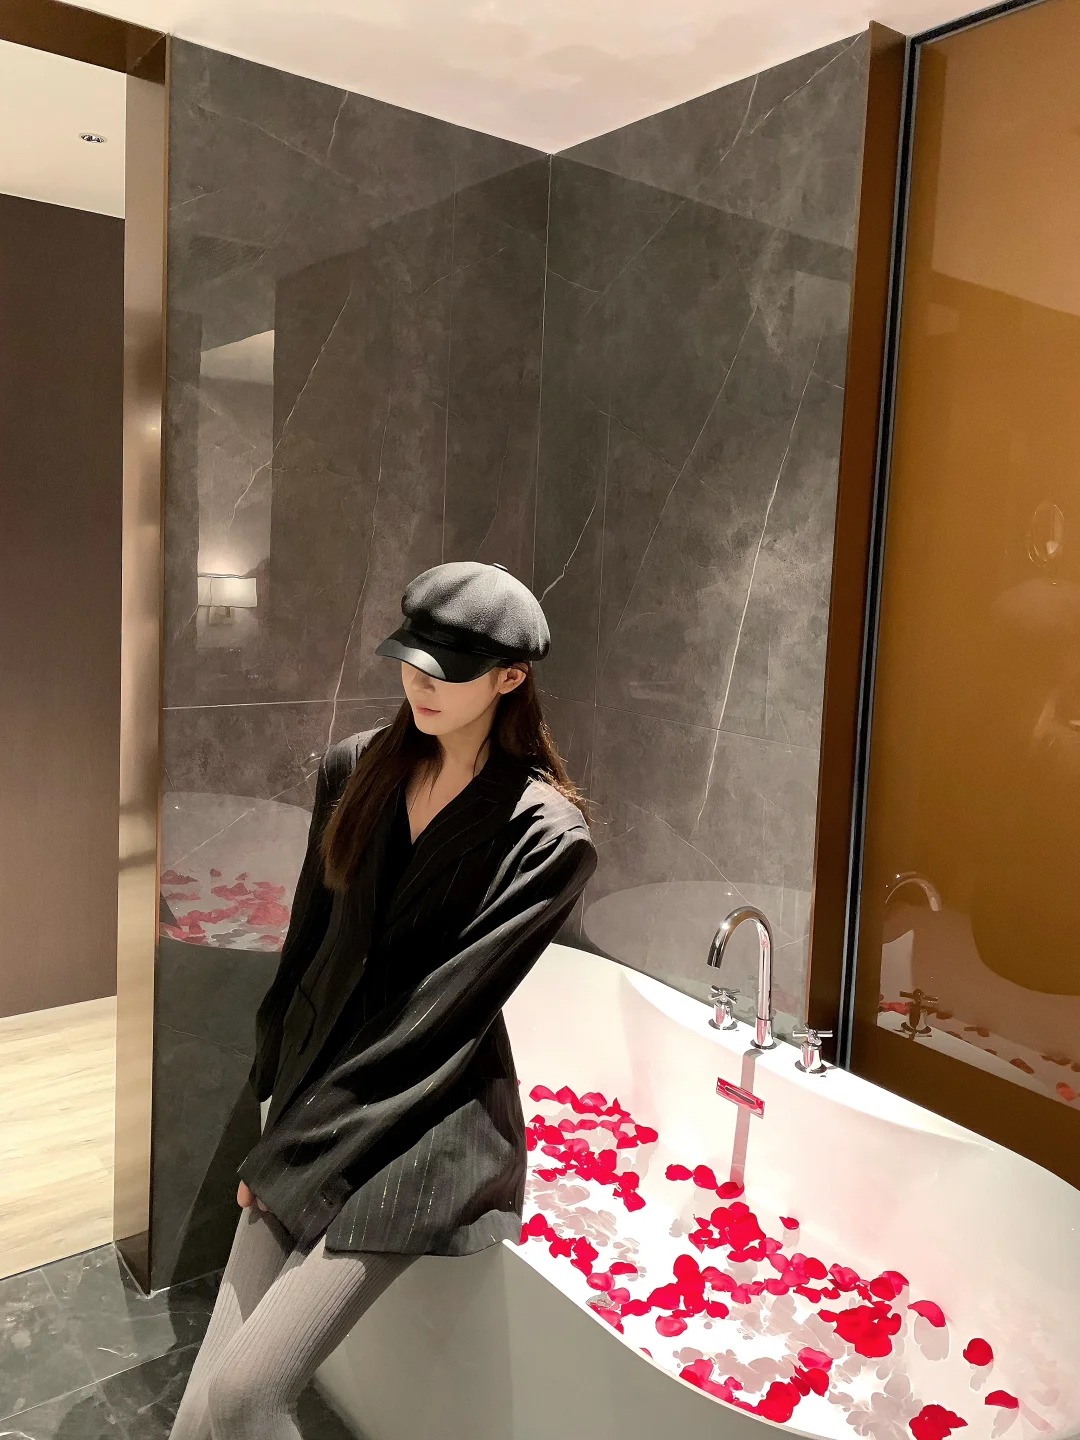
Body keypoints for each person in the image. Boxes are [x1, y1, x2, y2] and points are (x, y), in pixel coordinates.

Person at [169, 560, 597, 1440]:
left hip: (427, 1121)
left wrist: (296, 1150)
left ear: (510, 679)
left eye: (449, 670)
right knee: (202, 1409)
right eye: (411, 660)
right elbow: (307, 953)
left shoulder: (546, 837)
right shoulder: (355, 768)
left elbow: (438, 1023)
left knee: (246, 1395)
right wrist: (272, 1099)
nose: (420, 684)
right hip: (319, 1092)